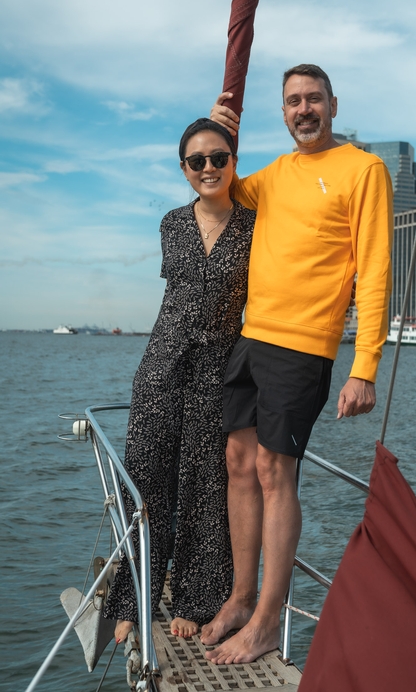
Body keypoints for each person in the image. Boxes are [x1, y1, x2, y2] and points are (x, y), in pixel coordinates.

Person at [200, 64, 393, 664]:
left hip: (305, 344)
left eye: (313, 99)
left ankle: (266, 620)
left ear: (333, 105)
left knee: (275, 473)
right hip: (251, 336)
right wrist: (217, 133)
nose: (303, 109)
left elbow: (376, 268)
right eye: (292, 101)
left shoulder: (365, 169)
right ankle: (239, 597)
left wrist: (364, 366)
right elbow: (217, 189)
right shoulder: (275, 175)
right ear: (281, 112)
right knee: (238, 462)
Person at [104, 118, 256, 642]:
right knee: (146, 476)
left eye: (219, 158)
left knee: (204, 485)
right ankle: (134, 597)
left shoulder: (257, 225)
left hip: (219, 367)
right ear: (184, 169)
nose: (209, 168)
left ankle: (196, 597)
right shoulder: (172, 222)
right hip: (162, 361)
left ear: (235, 160)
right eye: (197, 161)